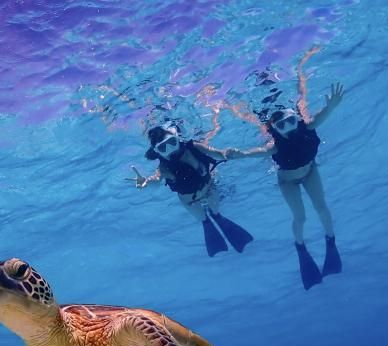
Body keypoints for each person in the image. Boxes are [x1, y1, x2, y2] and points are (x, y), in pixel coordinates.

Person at [232, 80, 344, 290]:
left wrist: (332, 105)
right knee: (300, 217)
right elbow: (255, 153)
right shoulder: (274, 147)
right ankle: (300, 247)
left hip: (311, 170)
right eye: (281, 126)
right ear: (274, 129)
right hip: (287, 180)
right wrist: (239, 155)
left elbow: (322, 115)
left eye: (291, 121)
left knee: (322, 207)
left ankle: (330, 240)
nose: (288, 127)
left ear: (297, 118)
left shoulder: (308, 127)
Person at [129, 124, 253, 257]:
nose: (170, 150)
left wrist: (229, 154)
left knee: (217, 214)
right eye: (163, 148)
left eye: (172, 143)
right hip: (190, 202)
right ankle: (210, 225)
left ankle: (218, 220)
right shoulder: (164, 167)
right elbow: (156, 179)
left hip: (209, 189)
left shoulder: (194, 147)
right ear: (158, 152)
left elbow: (218, 153)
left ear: (177, 139)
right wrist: (146, 182)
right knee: (204, 221)